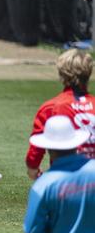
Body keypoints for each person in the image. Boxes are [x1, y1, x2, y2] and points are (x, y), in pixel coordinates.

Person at [26, 49, 95, 180]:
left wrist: (32, 169)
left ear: (61, 74)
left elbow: (35, 150)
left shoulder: (51, 107)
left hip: (66, 180)